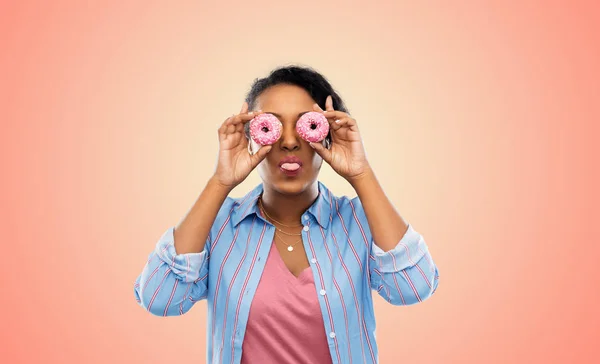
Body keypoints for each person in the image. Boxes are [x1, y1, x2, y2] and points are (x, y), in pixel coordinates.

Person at [134, 65, 440, 364]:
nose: (290, 141)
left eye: (307, 125)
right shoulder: (217, 226)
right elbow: (161, 297)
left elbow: (412, 287)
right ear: (251, 136)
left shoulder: (359, 221)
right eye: (272, 126)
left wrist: (361, 173)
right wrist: (220, 182)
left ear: (328, 134)